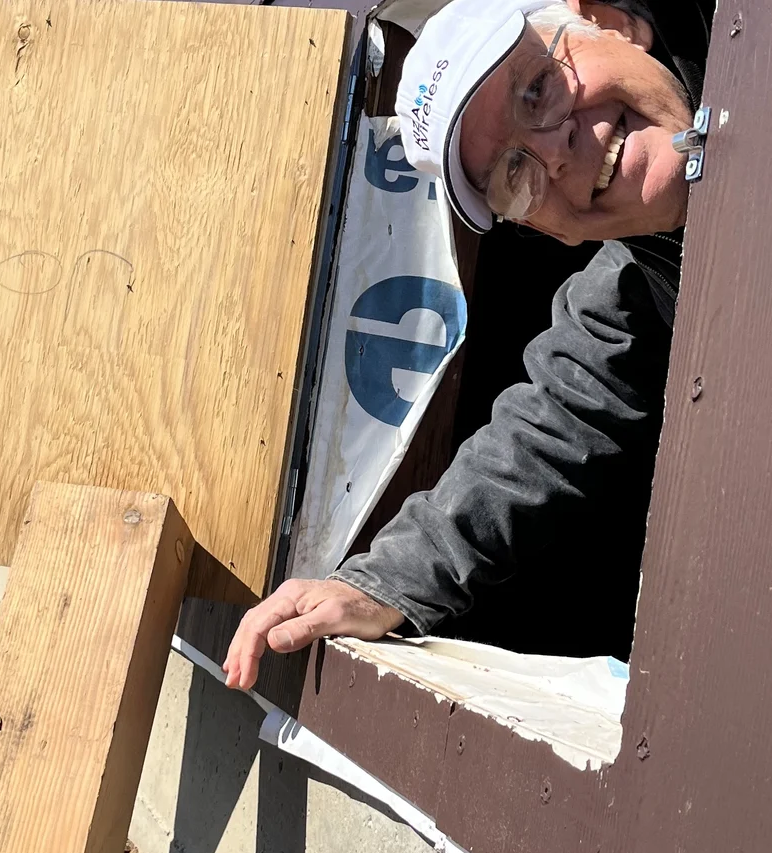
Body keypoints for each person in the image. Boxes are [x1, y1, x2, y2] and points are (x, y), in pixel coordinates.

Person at [224, 0, 715, 690]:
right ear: (552, 234)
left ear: (614, 22)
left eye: (538, 87)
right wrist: (381, 584)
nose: (554, 149)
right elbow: (550, 426)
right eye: (516, 175)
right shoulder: (640, 286)